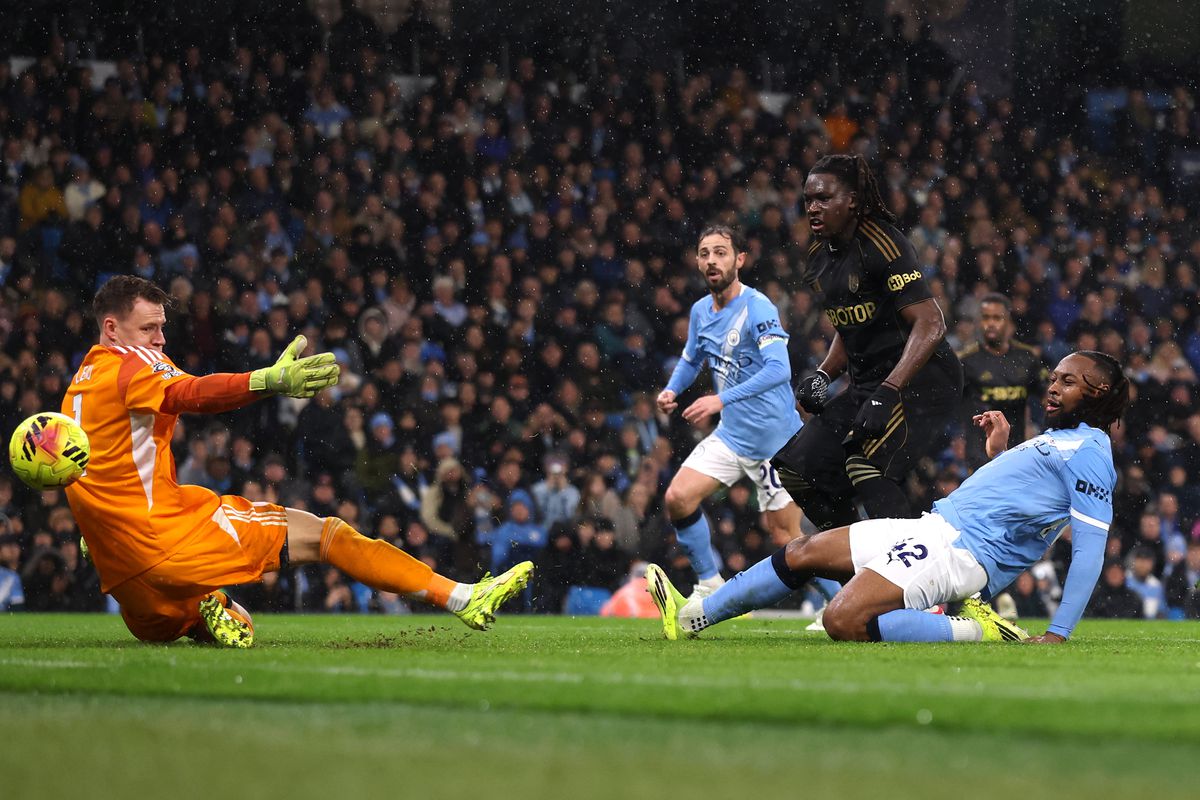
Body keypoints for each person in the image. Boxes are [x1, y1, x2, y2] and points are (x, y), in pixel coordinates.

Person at [61, 276, 532, 647]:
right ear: (111, 329)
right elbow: (190, 393)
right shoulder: (133, 365)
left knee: (221, 621)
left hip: (127, 586)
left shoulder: (77, 389)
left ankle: (210, 606)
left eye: (162, 327)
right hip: (165, 538)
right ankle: (464, 597)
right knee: (329, 535)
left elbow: (83, 475)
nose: (160, 339)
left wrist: (97, 538)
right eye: (149, 327)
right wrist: (266, 379)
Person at [646, 351, 1130, 645]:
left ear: (1098, 391)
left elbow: (1090, 547)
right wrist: (999, 454)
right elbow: (1012, 503)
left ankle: (977, 629)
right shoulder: (1063, 440)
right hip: (934, 527)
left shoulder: (1090, 451)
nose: (1053, 386)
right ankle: (692, 619)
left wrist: (1059, 631)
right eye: (1056, 377)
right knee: (802, 551)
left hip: (961, 553)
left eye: (1068, 381)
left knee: (844, 620)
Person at [781, 154, 963, 528]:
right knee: (798, 471)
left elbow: (931, 323)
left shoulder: (883, 244)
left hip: (921, 381)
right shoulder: (818, 256)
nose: (813, 207)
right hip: (868, 384)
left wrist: (890, 389)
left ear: (851, 201)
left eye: (824, 198)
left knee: (864, 465)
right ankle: (856, 571)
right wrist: (823, 374)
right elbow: (851, 329)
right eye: (808, 200)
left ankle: (911, 573)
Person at [656, 225, 803, 603]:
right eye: (704, 253)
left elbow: (779, 370)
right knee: (678, 498)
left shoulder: (758, 308)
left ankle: (836, 603)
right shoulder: (700, 311)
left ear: (739, 259)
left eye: (720, 252)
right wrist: (673, 388)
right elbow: (692, 357)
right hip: (732, 436)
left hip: (776, 442)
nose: (711, 260)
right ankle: (709, 582)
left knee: (787, 537)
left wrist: (722, 400)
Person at [958, 293, 1048, 470]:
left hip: (1016, 454)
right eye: (985, 318)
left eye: (997, 318)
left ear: (1008, 322)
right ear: (979, 322)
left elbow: (1048, 397)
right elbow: (950, 403)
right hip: (979, 458)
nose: (990, 323)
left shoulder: (1027, 358)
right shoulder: (967, 361)